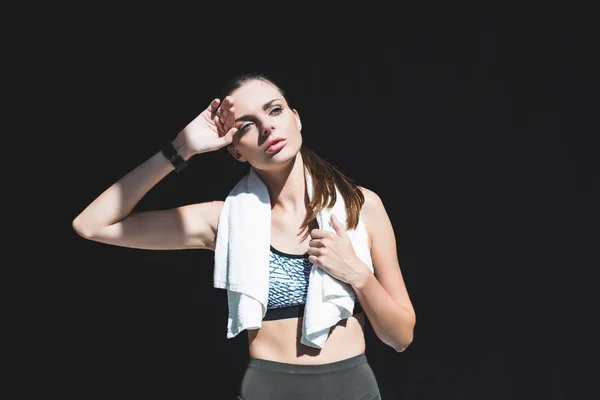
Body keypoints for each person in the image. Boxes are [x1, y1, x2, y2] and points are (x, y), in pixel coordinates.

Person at [72, 73, 416, 399]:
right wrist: (182, 148)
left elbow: (400, 336)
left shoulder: (361, 206)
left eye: (275, 110)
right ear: (235, 150)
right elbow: (91, 225)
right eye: (247, 124)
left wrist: (358, 274)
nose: (267, 126)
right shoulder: (224, 220)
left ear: (296, 119)